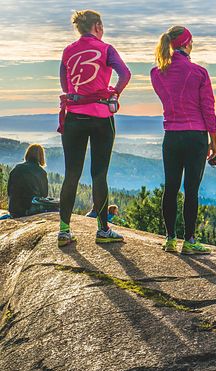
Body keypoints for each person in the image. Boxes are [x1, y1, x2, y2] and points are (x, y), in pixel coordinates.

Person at [58, 10, 131, 247]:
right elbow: (125, 74)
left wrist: (79, 96)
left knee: (71, 174)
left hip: (74, 117)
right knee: (99, 174)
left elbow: (66, 83)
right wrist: (113, 93)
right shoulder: (106, 48)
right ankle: (102, 229)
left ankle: (64, 230)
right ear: (97, 26)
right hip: (101, 116)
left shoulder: (68, 51)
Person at [150, 26, 216, 255]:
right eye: (192, 42)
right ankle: (189, 241)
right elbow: (208, 109)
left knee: (170, 188)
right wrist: (214, 142)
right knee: (191, 190)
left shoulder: (157, 73)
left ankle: (170, 239)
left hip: (171, 136)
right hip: (196, 137)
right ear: (186, 44)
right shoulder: (199, 73)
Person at [7, 144, 50, 218]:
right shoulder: (41, 172)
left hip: (14, 210)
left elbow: (9, 191)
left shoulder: (17, 168)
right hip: (29, 209)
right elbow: (44, 194)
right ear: (41, 157)